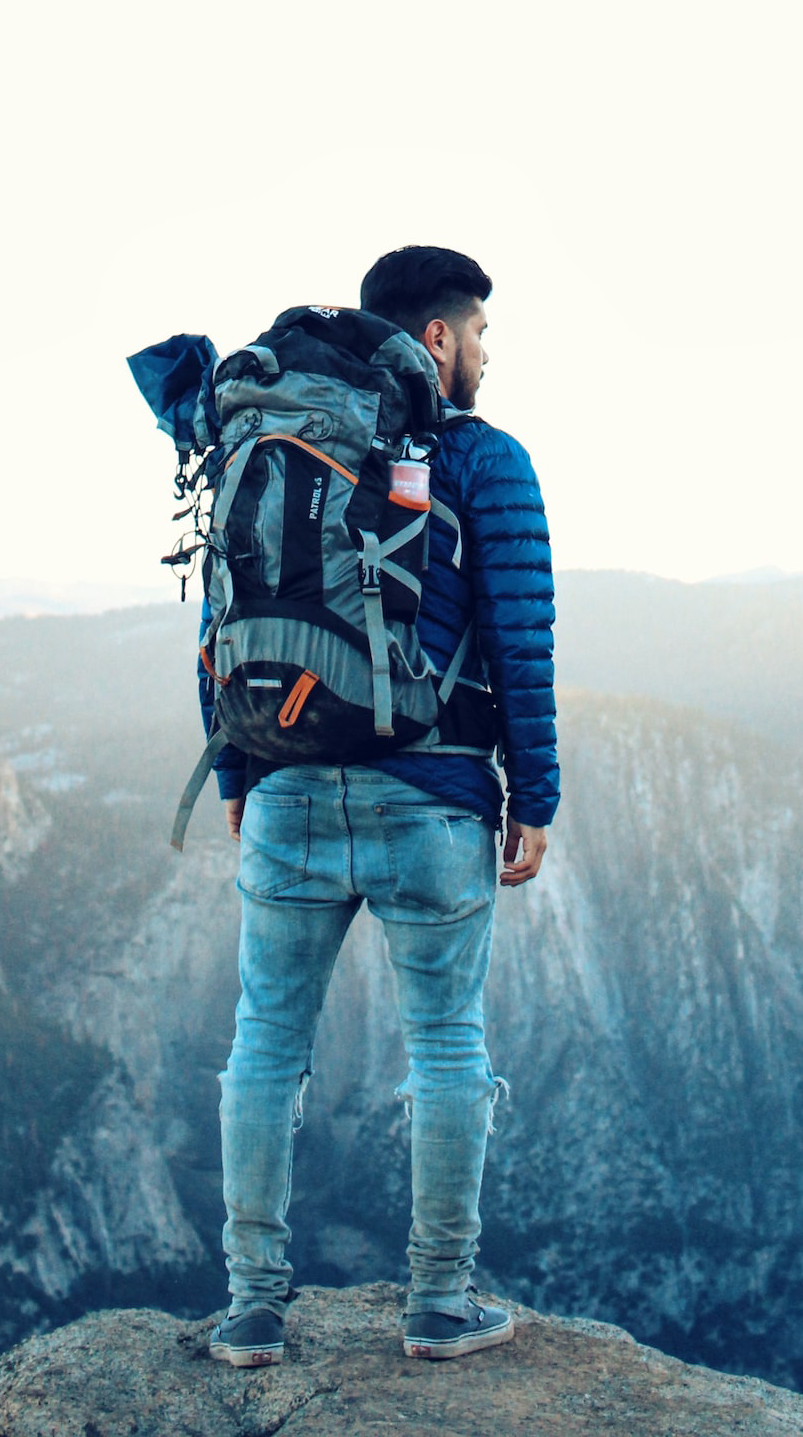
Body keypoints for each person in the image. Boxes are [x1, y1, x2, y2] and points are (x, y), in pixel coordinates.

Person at [204, 246, 560, 1367]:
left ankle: (255, 1306)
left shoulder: (276, 442)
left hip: (288, 785)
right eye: (482, 337)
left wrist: (235, 772)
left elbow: (221, 608)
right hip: (434, 794)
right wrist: (533, 794)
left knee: (265, 1044)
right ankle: (439, 1305)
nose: (489, 358)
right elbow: (521, 637)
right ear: (440, 338)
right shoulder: (485, 460)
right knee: (448, 1046)